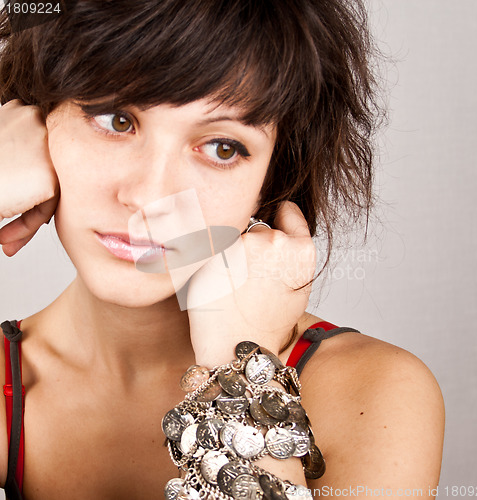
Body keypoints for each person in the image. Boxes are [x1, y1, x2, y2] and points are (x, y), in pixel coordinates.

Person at [0, 0, 445, 499]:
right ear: (34, 120)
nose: (149, 197)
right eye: (116, 120)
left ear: (271, 179)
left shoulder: (372, 392)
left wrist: (240, 376)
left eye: (222, 148)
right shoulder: (8, 385)